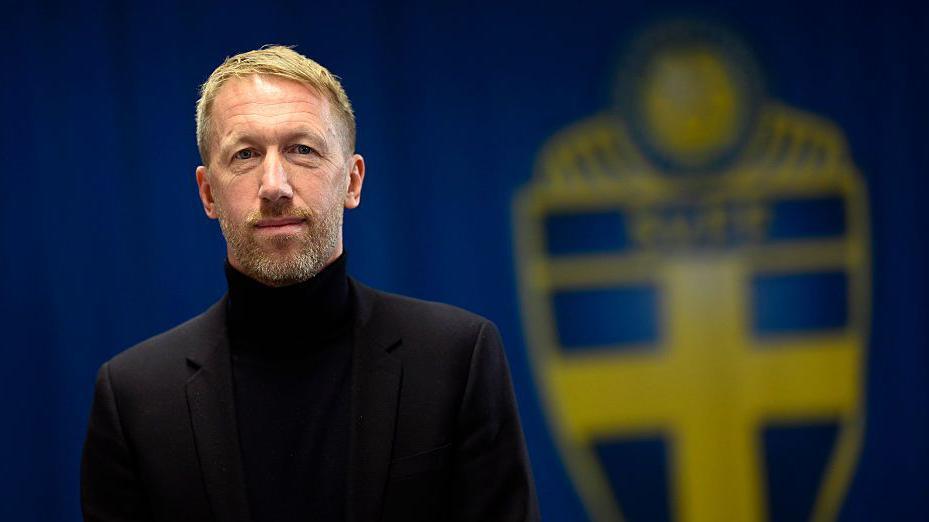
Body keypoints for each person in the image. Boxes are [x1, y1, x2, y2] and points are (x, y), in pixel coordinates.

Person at [80, 46, 539, 522]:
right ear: (208, 192)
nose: (274, 185)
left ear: (352, 182)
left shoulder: (456, 358)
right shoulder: (136, 397)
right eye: (245, 154)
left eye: (302, 150)